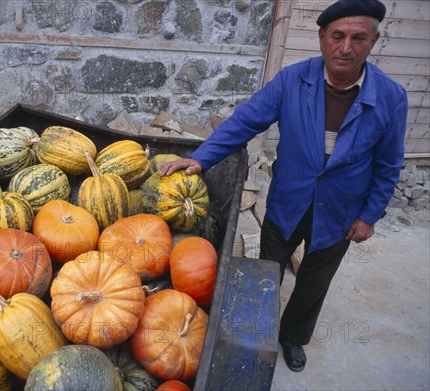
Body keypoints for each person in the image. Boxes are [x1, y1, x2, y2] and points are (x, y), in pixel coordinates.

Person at [159, 0, 407, 372]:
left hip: (341, 210)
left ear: (373, 40)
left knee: (314, 279)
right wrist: (203, 157)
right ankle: (253, 332)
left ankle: (292, 337)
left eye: (358, 37)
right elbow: (246, 120)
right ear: (322, 37)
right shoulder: (294, 80)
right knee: (267, 271)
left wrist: (370, 215)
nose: (346, 47)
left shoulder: (390, 96)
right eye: (337, 36)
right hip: (289, 199)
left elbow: (388, 164)